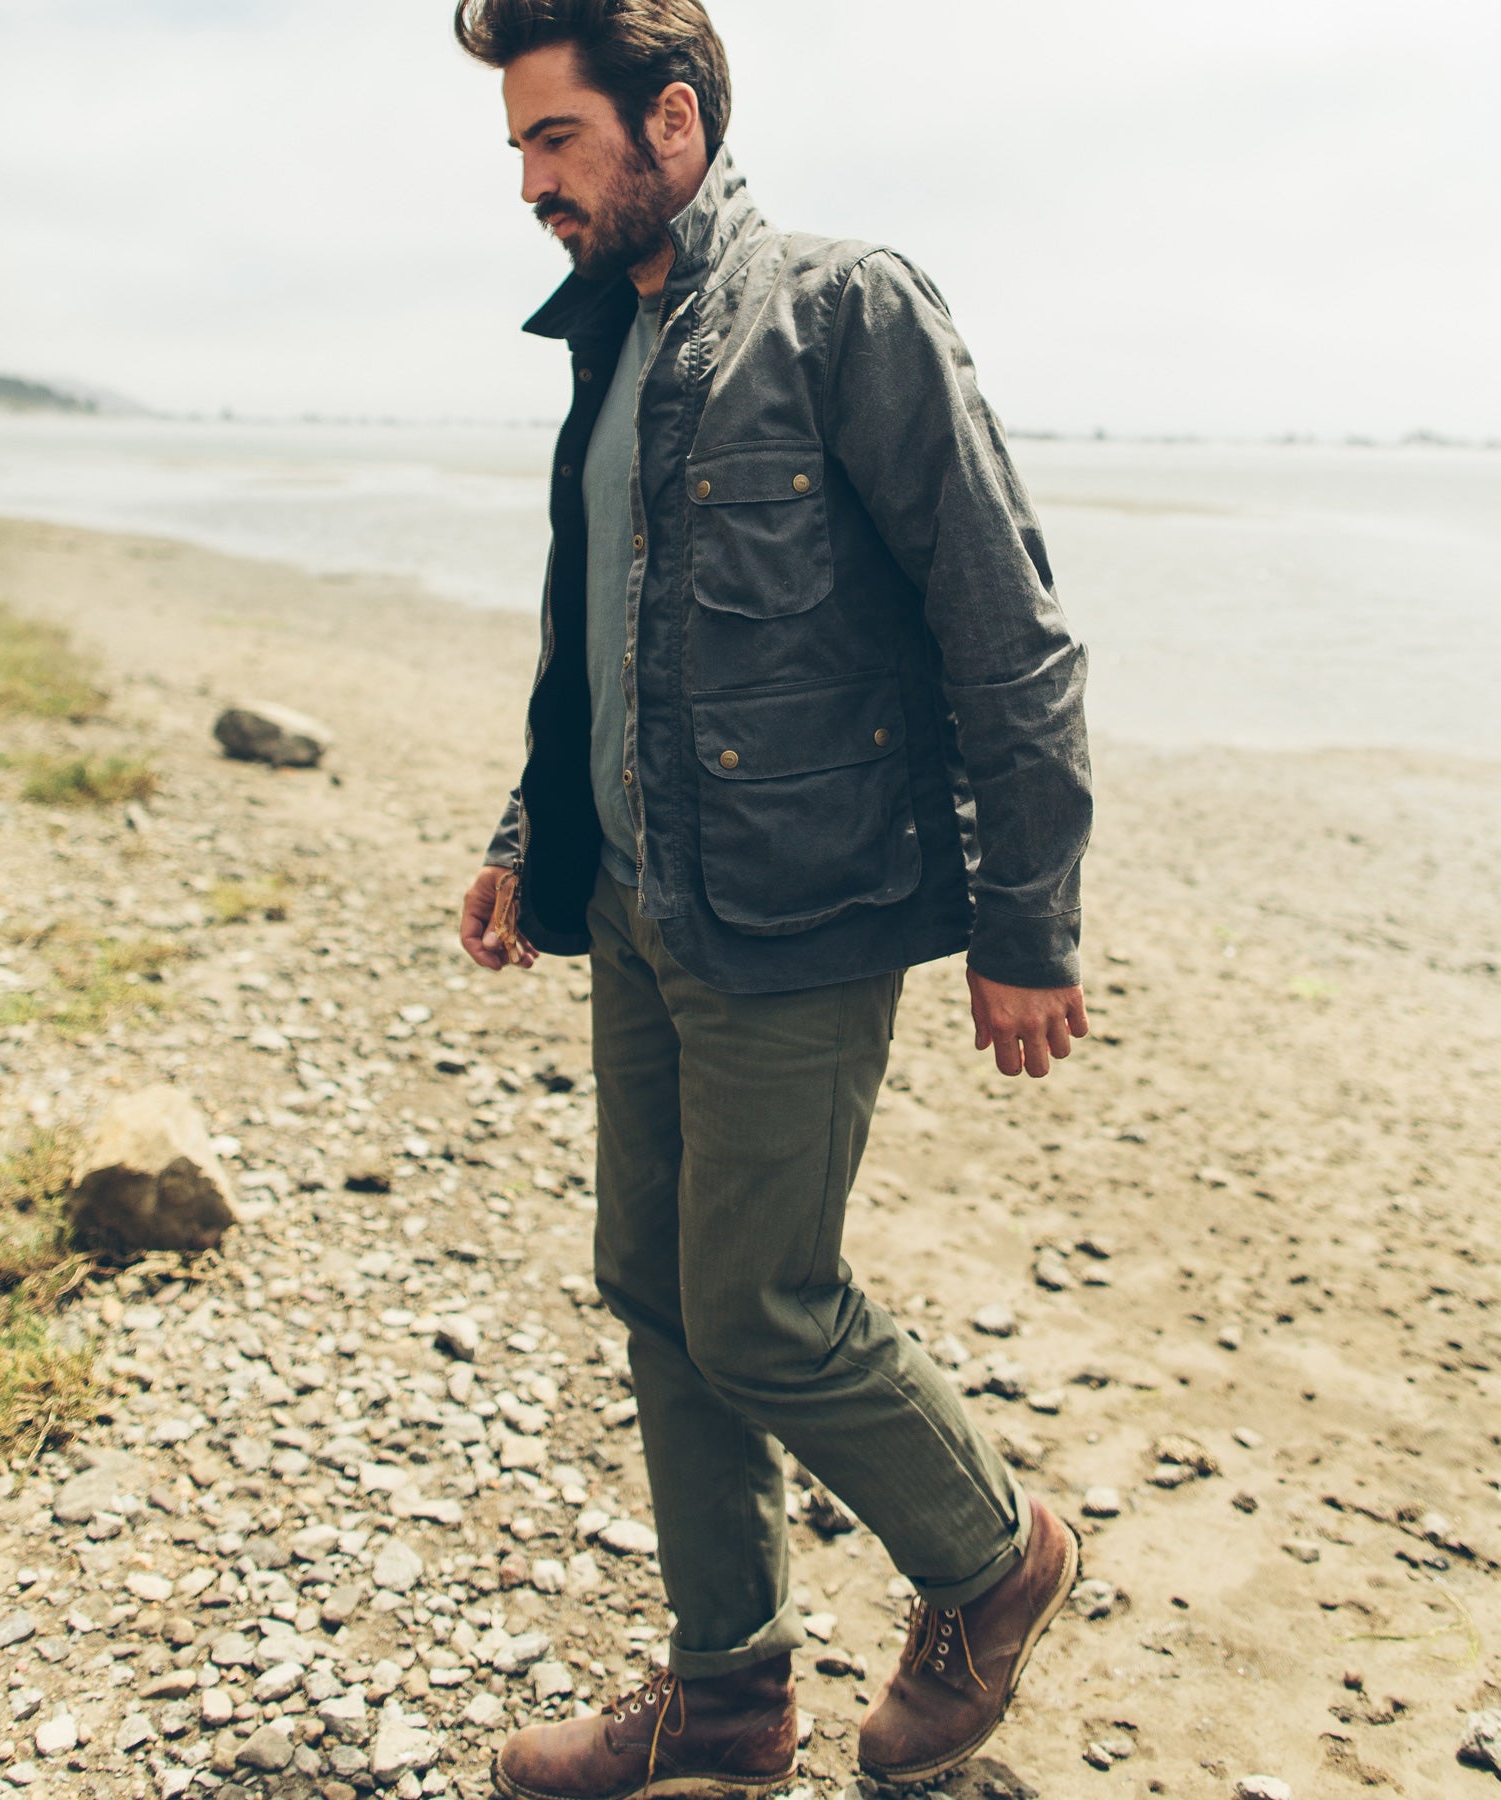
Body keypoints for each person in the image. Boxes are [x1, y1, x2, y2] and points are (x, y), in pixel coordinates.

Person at [452, 2, 1093, 1793]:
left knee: (760, 1305)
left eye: (554, 140)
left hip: (804, 911)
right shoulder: (608, 337)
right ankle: (727, 1695)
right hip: (642, 907)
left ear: (672, 122)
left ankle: (994, 1557)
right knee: (654, 1292)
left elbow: (1013, 635)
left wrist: (1027, 925)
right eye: (516, 147)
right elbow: (600, 634)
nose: (528, 184)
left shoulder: (844, 311)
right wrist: (529, 825)